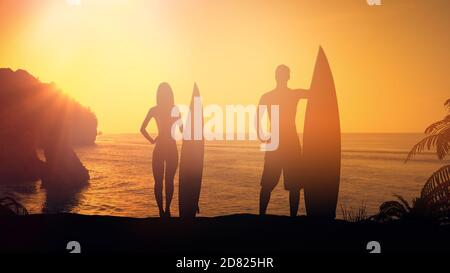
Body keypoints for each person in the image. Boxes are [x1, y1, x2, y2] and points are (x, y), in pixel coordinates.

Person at [257, 65, 309, 217]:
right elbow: (257, 118)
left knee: (292, 184)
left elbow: (313, 93)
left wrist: (263, 136)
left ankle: (264, 216)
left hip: (283, 141)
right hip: (285, 142)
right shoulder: (289, 95)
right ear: (286, 77)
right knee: (271, 183)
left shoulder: (270, 96)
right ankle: (267, 216)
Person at [141, 82, 181, 217]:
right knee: (168, 181)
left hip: (159, 148)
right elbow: (182, 130)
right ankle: (167, 210)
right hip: (171, 147)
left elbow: (142, 129)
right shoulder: (174, 109)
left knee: (159, 182)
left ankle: (161, 211)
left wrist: (152, 140)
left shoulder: (154, 110)